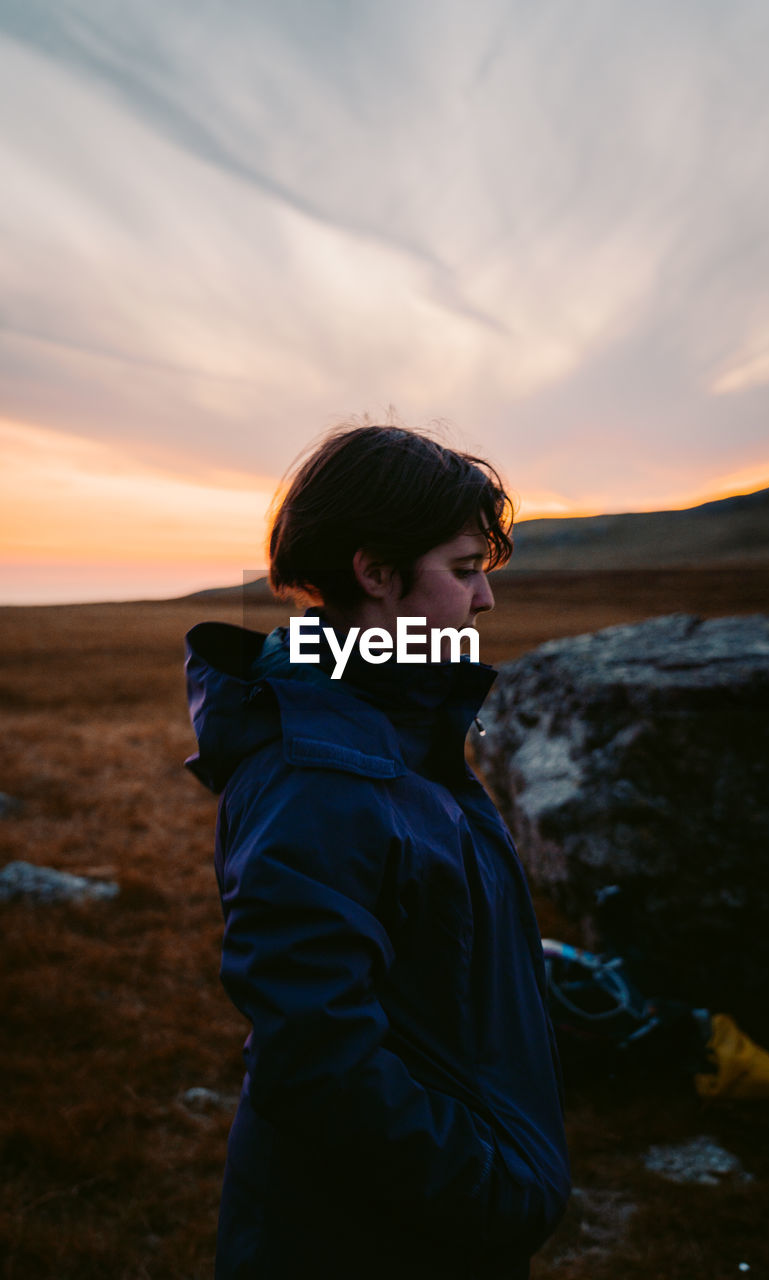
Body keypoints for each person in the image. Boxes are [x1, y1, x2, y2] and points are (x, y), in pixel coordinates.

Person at [185, 424, 570, 1279]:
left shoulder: (400, 734)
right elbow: (317, 1059)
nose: (485, 601)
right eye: (465, 570)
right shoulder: (320, 775)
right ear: (376, 572)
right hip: (372, 1241)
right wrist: (487, 1194)